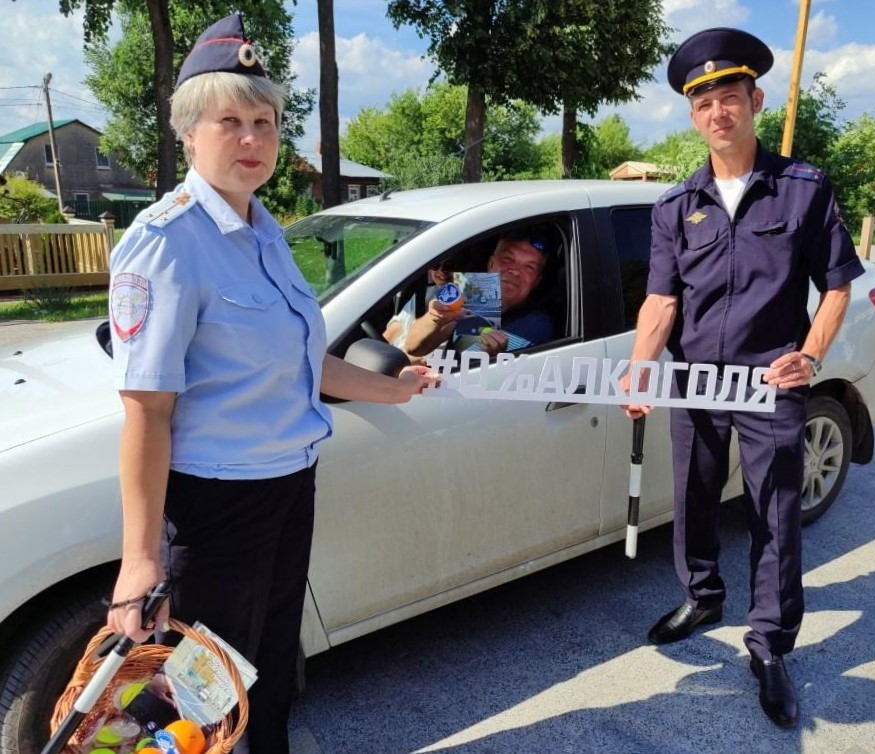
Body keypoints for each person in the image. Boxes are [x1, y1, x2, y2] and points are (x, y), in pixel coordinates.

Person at [104, 14, 434, 754]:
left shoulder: (266, 234)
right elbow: (147, 411)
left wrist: (396, 386)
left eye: (265, 121)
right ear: (189, 131)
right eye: (230, 121)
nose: (252, 139)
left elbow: (303, 361)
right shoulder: (166, 242)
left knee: (270, 663)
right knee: (194, 684)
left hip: (289, 483)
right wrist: (140, 558)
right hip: (218, 501)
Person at [621, 27, 864, 728]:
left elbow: (839, 287)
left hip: (769, 382)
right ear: (692, 116)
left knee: (774, 516)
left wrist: (809, 357)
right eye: (703, 104)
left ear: (754, 100)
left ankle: (769, 645)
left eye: (728, 98)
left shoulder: (803, 189)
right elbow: (661, 299)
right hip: (694, 380)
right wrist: (641, 372)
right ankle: (702, 597)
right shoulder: (674, 206)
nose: (717, 114)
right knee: (693, 499)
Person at [401, 231, 555, 358]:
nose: (514, 270)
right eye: (508, 259)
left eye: (529, 267)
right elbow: (413, 348)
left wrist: (498, 360)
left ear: (536, 281)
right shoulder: (473, 291)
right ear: (491, 264)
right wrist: (434, 319)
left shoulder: (539, 326)